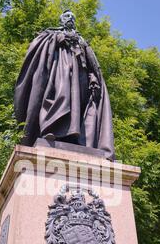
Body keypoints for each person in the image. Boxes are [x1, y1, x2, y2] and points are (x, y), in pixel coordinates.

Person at [14, 10, 115, 160]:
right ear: (61, 20)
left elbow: (92, 64)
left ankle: (75, 139)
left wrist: (93, 77)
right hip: (60, 72)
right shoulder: (52, 34)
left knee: (80, 108)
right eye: (67, 16)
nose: (70, 19)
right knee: (62, 98)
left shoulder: (81, 40)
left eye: (73, 17)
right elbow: (39, 46)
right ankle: (52, 130)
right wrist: (55, 40)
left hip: (81, 79)